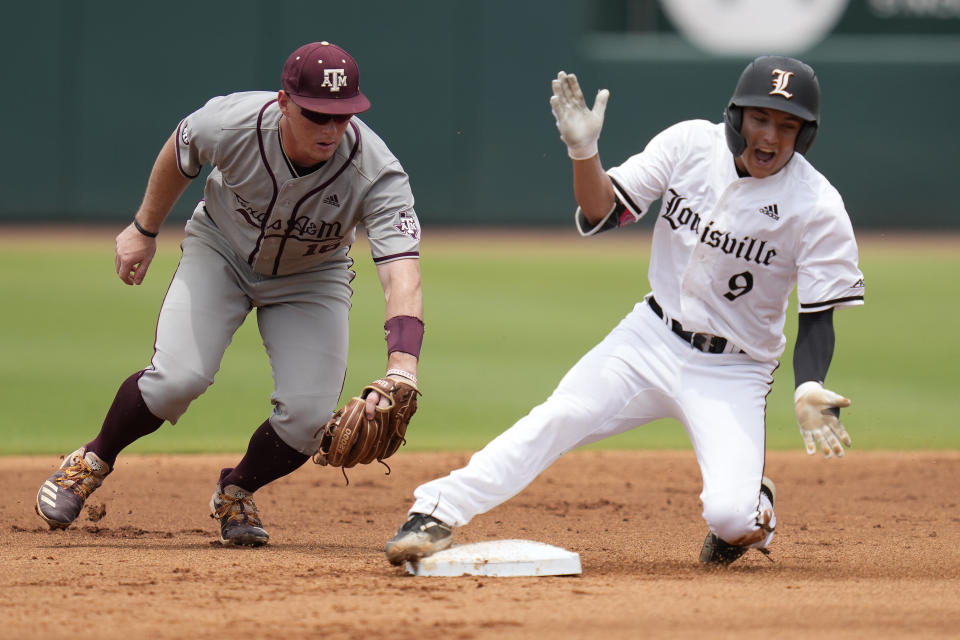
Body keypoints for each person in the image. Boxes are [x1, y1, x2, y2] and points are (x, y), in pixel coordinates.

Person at [384, 55, 863, 566]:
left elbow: (818, 313)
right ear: (736, 117)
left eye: (786, 125)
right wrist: (583, 151)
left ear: (804, 134)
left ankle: (755, 507)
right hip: (649, 338)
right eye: (760, 119)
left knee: (731, 517)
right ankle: (435, 510)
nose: (769, 136)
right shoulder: (689, 145)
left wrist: (809, 384)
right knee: (561, 416)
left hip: (734, 368)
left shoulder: (816, 204)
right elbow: (602, 210)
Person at [35, 41, 424, 547]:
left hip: (313, 276)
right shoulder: (231, 122)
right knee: (179, 379)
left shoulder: (377, 171)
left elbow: (402, 273)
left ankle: (237, 489)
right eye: (316, 115)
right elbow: (179, 151)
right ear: (285, 102)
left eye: (343, 116)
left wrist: (402, 366)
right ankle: (91, 459)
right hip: (219, 251)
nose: (331, 129)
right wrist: (143, 229)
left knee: (309, 418)